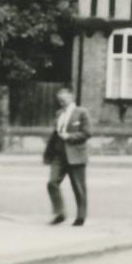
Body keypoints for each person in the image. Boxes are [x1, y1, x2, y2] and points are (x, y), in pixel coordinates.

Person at [44, 86, 91, 226]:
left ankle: (81, 216)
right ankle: (60, 213)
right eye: (59, 101)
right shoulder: (59, 113)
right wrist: (49, 153)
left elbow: (87, 133)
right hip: (59, 155)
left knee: (78, 186)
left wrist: (70, 136)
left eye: (63, 101)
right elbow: (55, 134)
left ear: (71, 98)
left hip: (76, 154)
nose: (61, 104)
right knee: (52, 183)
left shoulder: (82, 112)